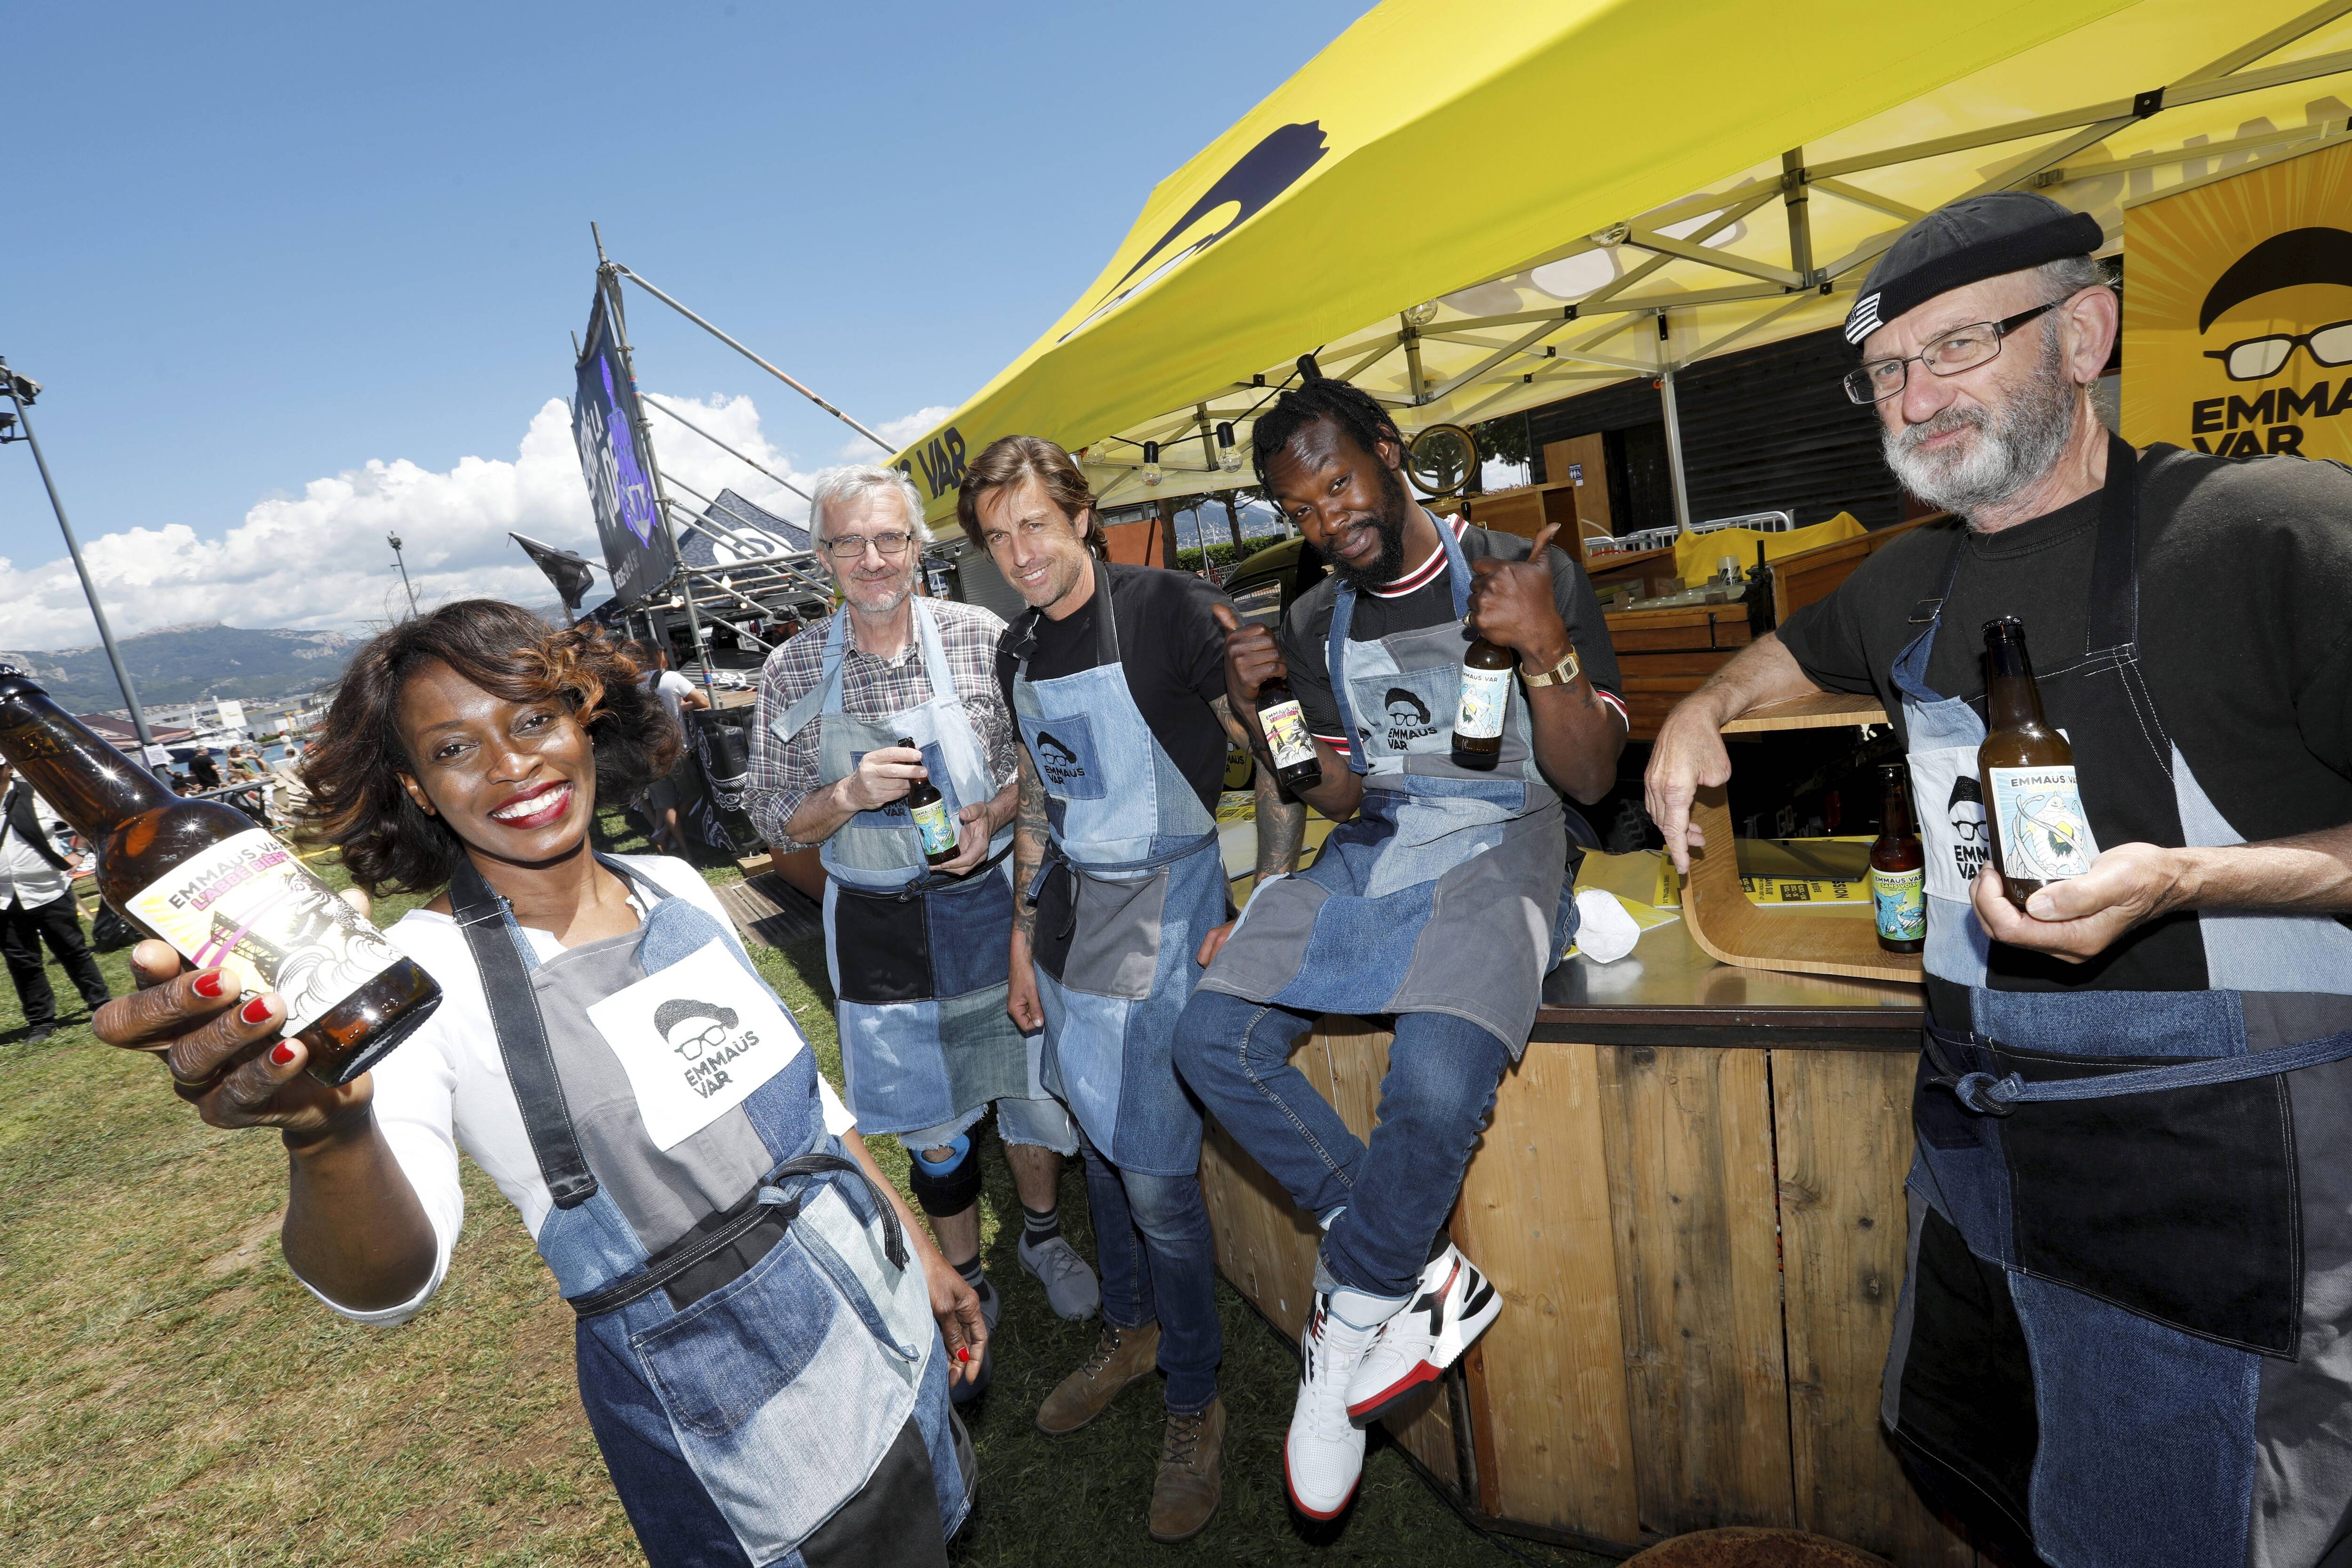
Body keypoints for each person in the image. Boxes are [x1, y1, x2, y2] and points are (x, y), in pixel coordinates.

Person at [1644, 191, 2352, 1568]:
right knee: (1996, 1474)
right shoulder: (1903, 583)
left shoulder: (2270, 530)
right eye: (1888, 371)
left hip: (2215, 1170)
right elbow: (1796, 651)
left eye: (1958, 347)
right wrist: (1701, 706)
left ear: (2082, 333)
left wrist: (2190, 879)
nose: (1915, 396)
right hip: (1980, 1141)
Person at [93, 601, 981, 1567]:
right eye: (455, 748)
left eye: (530, 720)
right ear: (419, 790)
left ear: (583, 721)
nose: (513, 766)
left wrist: (914, 1247)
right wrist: (326, 1131)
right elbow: (389, 1283)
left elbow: (806, 1107)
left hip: (874, 1302)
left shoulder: (674, 890)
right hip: (744, 1425)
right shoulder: (421, 977)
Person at [1169, 370, 1627, 1520]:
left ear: (1387, 447)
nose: (1329, 520)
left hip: (1513, 842)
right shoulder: (1318, 618)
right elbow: (1331, 789)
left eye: (1338, 483)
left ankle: (1342, 1335)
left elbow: (1587, 779)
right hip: (1381, 847)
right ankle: (1411, 1266)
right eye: (1301, 508)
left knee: (1431, 1077)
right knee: (1209, 1035)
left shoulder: (1524, 566)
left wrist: (1547, 650)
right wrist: (1264, 709)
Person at [966, 436, 1283, 1544]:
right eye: (998, 538)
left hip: (1172, 900)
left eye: (1035, 527)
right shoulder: (1016, 649)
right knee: (1099, 1144)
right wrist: (1018, 934)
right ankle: (1133, 1327)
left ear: (1082, 513)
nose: (1020, 555)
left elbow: (1273, 745)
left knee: (1154, 1178)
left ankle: (1195, 1395)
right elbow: (1045, 801)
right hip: (1071, 917)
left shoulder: (1172, 609)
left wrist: (1268, 900)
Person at [746, 463, 1097, 1409]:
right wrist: (847, 794)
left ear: (918, 548)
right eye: (850, 543)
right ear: (823, 557)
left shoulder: (983, 639)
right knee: (934, 1127)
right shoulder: (791, 669)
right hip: (877, 926)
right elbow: (774, 820)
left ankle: (1043, 1231)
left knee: (1028, 1098)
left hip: (991, 909)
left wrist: (994, 810)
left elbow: (1043, 764)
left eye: (890, 539)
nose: (872, 560)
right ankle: (962, 1271)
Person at [0, 759, 111, 1043]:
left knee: (73, 951)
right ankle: (41, 1022)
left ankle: (101, 1005)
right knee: (22, 962)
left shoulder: (36, 793)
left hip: (48, 889)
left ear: (6, 768)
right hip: (3, 898)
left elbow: (84, 819)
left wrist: (79, 854)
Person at [627, 642, 708, 856]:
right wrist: (682, 707)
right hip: (676, 749)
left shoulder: (632, 686)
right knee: (693, 794)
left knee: (666, 804)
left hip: (650, 752)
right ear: (659, 653)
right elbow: (702, 702)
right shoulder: (671, 678)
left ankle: (683, 851)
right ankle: (664, 835)